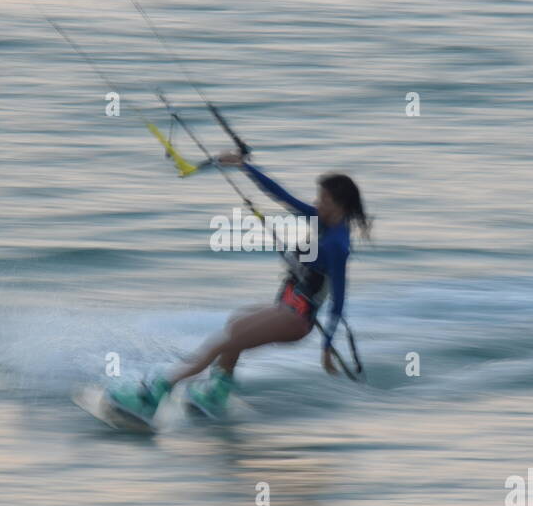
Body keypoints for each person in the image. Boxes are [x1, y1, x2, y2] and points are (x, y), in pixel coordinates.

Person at [106, 153, 370, 420]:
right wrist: (243, 167)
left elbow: (338, 301)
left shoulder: (338, 244)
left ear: (339, 206)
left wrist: (326, 348)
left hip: (296, 318)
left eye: (323, 200)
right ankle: (218, 391)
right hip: (286, 307)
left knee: (221, 342)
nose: (316, 203)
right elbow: (280, 196)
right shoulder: (321, 221)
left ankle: (155, 395)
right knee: (236, 322)